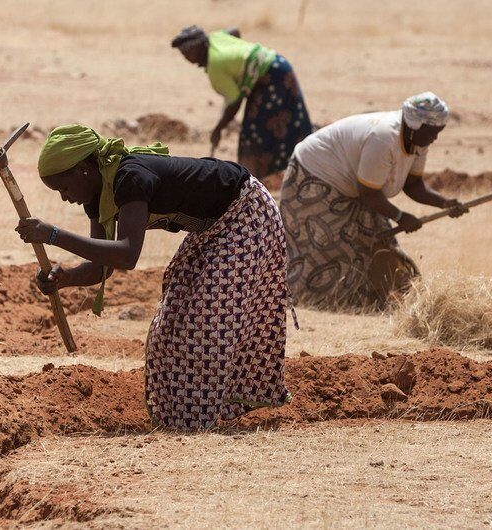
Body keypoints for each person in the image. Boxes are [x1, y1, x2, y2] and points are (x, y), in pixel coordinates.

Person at [15, 124, 291, 430]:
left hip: (245, 213)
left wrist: (53, 235)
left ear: (82, 170)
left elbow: (127, 254)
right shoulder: (98, 194)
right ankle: (178, 421)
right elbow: (101, 265)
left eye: (63, 189)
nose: (65, 198)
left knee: (207, 322)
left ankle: (205, 419)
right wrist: (64, 277)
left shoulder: (129, 177)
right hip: (213, 228)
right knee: (167, 329)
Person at [279, 92, 468, 310]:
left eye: (438, 133)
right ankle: (307, 300)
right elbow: (369, 193)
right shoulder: (384, 137)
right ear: (416, 124)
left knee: (375, 236)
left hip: (352, 186)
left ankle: (378, 297)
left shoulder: (417, 141)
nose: (435, 138)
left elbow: (413, 185)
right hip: (314, 174)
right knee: (327, 245)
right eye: (432, 133)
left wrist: (444, 203)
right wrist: (400, 217)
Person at [171, 25, 312, 181]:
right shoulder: (216, 37)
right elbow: (235, 31)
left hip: (271, 79)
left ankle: (256, 180)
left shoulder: (216, 67)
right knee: (288, 123)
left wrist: (219, 128)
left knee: (256, 132)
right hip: (279, 64)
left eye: (188, 52)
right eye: (183, 53)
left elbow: (235, 101)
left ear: (200, 47)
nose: (186, 57)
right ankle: (294, 170)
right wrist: (241, 58)